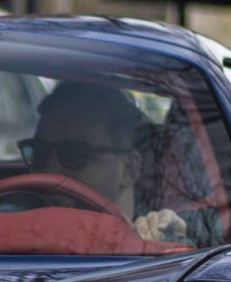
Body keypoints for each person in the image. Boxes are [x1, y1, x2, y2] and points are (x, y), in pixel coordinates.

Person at [23, 83, 192, 244]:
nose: (48, 170)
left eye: (74, 153)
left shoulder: (155, 237)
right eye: (40, 152)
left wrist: (172, 245)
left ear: (129, 169)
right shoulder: (9, 219)